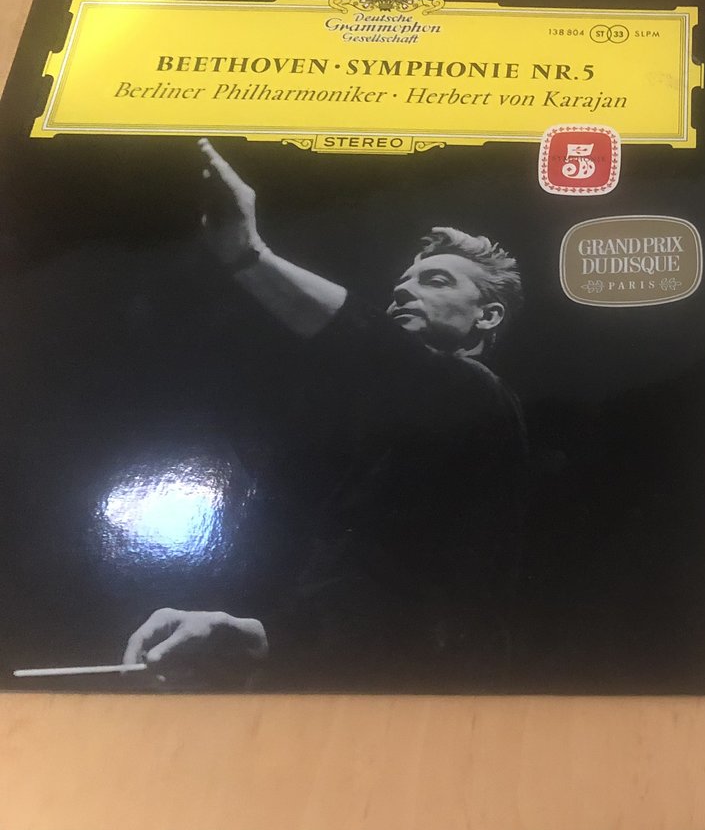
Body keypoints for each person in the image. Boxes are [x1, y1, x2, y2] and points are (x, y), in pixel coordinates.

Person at [122, 140, 528, 688]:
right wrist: (246, 634)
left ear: (488, 315)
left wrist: (247, 253)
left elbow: (371, 342)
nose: (404, 293)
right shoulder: (384, 440)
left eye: (435, 280)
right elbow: (359, 601)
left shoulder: (481, 395)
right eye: (400, 286)